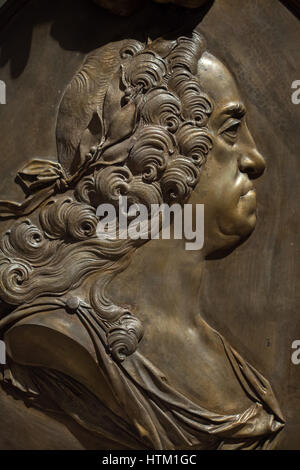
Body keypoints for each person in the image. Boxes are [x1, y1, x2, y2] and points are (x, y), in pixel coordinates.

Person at [0, 31, 284, 449]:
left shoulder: (224, 356)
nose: (254, 159)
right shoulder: (59, 336)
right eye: (230, 130)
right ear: (154, 157)